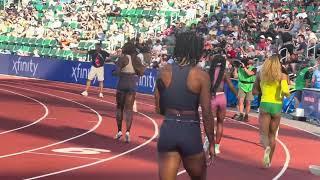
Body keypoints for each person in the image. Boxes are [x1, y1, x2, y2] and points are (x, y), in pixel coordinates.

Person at [155, 32, 215, 180]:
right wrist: (212, 143)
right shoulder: (201, 75)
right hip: (190, 130)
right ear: (196, 49)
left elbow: (158, 109)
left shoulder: (163, 72)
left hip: (168, 129)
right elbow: (207, 113)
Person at [253, 55, 290, 168]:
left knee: (264, 135)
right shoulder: (283, 75)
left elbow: (254, 91)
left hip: (264, 104)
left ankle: (266, 147)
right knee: (272, 135)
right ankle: (268, 162)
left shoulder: (261, 74)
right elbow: (286, 91)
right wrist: (285, 92)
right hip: (277, 106)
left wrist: (262, 90)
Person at [203, 55, 237, 155]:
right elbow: (231, 86)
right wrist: (237, 96)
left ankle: (208, 141)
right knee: (220, 123)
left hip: (212, 98)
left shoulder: (208, 72)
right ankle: (217, 146)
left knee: (209, 122)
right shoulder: (224, 73)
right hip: (222, 98)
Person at [112, 41, 145, 143]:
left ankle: (119, 131)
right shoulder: (136, 59)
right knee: (129, 110)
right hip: (132, 84)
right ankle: (128, 132)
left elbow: (116, 72)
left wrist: (114, 72)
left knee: (119, 108)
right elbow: (142, 72)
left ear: (125, 49)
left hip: (122, 83)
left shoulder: (123, 58)